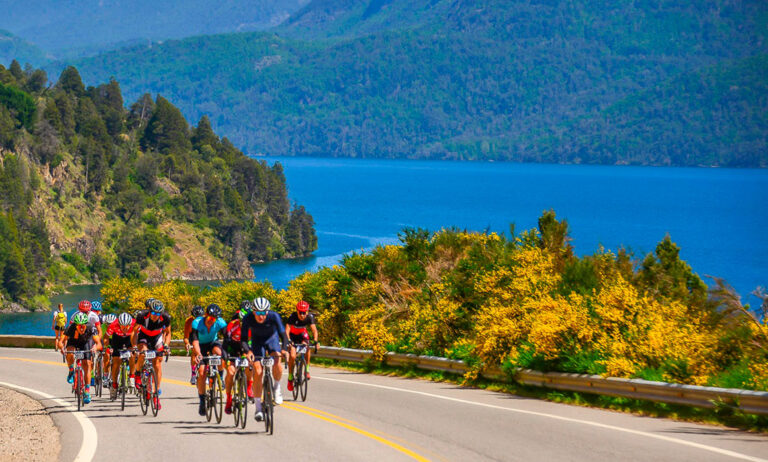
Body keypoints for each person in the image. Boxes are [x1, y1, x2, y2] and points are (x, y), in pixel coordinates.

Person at [242, 296, 288, 421]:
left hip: (272, 339)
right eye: (258, 313)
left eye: (264, 313)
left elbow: (283, 335)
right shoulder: (247, 318)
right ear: (253, 311)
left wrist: (284, 349)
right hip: (257, 342)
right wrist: (248, 351)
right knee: (257, 371)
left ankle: (277, 388)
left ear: (267, 312)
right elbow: (244, 339)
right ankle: (258, 408)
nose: (261, 316)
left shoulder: (274, 316)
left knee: (277, 361)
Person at [132, 298, 171, 408]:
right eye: (153, 313)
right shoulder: (142, 315)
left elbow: (168, 333)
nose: (155, 316)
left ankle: (156, 393)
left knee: (157, 363)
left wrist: (166, 345)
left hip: (156, 338)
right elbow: (134, 332)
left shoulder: (166, 317)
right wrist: (134, 346)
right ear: (149, 311)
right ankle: (138, 373)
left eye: (158, 314)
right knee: (142, 353)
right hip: (144, 336)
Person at [190, 304, 227, 416]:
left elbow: (227, 338)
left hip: (212, 343)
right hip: (200, 345)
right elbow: (195, 341)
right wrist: (198, 354)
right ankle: (202, 400)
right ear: (206, 315)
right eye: (210, 318)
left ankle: (220, 377)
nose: (212, 320)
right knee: (202, 372)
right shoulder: (197, 322)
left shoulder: (220, 322)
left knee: (220, 354)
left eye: (214, 319)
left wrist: (227, 352)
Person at [58, 312, 102, 404]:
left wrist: (95, 348)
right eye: (79, 326)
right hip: (73, 342)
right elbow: (61, 341)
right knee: (69, 352)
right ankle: (71, 370)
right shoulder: (71, 327)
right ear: (76, 325)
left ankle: (87, 391)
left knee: (87, 365)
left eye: (83, 326)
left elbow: (99, 344)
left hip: (86, 343)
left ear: (86, 324)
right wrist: (62, 348)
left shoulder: (91, 327)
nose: (81, 328)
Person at [223, 303, 253, 414]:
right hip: (232, 348)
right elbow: (225, 343)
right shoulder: (232, 325)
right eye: (242, 322)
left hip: (246, 348)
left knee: (250, 364)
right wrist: (226, 357)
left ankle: (249, 386)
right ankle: (229, 399)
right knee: (231, 373)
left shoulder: (253, 327)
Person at [285, 300, 319, 392]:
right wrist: (288, 340)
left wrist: (315, 341)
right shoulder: (292, 316)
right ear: (297, 311)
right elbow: (287, 330)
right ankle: (290, 377)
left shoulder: (310, 317)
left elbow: (314, 330)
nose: (302, 315)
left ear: (307, 312)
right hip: (292, 336)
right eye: (300, 312)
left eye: (304, 312)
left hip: (302, 335)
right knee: (292, 356)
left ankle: (306, 370)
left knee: (307, 348)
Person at [106, 313, 135, 400]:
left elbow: (139, 336)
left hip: (130, 339)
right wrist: (108, 347)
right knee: (116, 361)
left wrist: (136, 347)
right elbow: (106, 337)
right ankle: (114, 385)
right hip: (117, 340)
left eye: (127, 326)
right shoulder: (113, 325)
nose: (125, 328)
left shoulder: (135, 324)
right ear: (119, 324)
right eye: (122, 326)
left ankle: (132, 377)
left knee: (132, 355)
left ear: (130, 324)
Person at [184, 306, 204, 384]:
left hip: (203, 336)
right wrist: (187, 343)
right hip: (193, 337)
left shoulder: (206, 320)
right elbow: (186, 337)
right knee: (194, 352)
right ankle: (193, 373)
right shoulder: (189, 322)